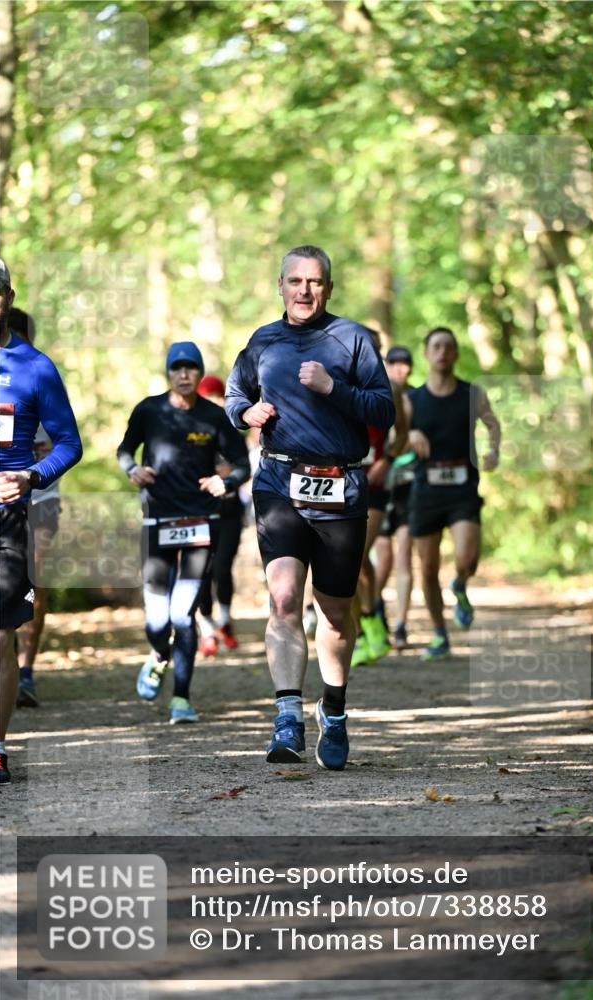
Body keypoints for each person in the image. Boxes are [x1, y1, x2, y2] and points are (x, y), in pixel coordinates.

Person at [225, 245, 395, 770]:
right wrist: (246, 412)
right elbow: (234, 396)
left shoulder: (353, 339)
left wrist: (333, 387)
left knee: (337, 614)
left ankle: (335, 711)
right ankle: (286, 718)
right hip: (278, 480)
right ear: (280, 286)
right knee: (281, 600)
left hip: (340, 484)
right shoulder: (262, 341)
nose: (304, 290)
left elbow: (384, 411)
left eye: (314, 282)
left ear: (329, 288)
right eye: (295, 281)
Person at [117, 343, 250, 724]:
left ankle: (181, 698)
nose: (185, 374)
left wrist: (224, 482)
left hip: (199, 523)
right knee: (157, 621)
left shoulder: (215, 416)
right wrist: (132, 471)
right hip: (157, 521)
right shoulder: (149, 410)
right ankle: (159, 654)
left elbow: (242, 465)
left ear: (199, 371)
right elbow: (126, 450)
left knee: (182, 613)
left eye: (192, 367)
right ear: (168, 373)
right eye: (177, 367)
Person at [0, 258, 83, 785]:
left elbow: (70, 442)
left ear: (7, 296)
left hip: (8, 517)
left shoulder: (35, 366)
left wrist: (31, 476)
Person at [406, 326, 501, 660]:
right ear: (427, 353)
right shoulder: (412, 399)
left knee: (467, 557)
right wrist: (411, 433)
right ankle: (439, 633)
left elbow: (492, 423)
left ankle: (460, 583)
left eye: (449, 347)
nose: (443, 352)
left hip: (462, 487)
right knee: (428, 568)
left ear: (456, 354)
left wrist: (493, 451)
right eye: (436, 346)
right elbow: (394, 442)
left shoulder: (472, 394)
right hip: (425, 489)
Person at [7, 308, 62, 707]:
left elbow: (66, 443)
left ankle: (26, 670)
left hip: (42, 499)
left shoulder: (41, 375)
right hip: (2, 500)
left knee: (34, 582)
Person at [351, 332, 408, 667]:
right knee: (350, 560)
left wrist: (386, 461)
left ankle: (371, 620)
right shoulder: (337, 380)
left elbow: (401, 434)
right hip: (343, 480)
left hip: (375, 485)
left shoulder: (392, 387)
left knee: (357, 554)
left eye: (372, 348)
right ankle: (364, 626)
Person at [194, 374, 246, 654]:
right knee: (202, 570)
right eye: (208, 396)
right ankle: (206, 628)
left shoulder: (231, 431)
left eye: (218, 396)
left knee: (223, 568)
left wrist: (233, 476)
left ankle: (224, 620)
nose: (214, 401)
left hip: (229, 513)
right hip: (200, 512)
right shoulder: (190, 433)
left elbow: (243, 465)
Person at [374, 345, 416, 650]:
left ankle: (401, 623)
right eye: (394, 363)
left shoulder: (416, 397)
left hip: (407, 484)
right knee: (381, 557)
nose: (400, 369)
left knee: (404, 556)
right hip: (377, 484)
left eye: (405, 364)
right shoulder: (372, 392)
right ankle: (373, 607)